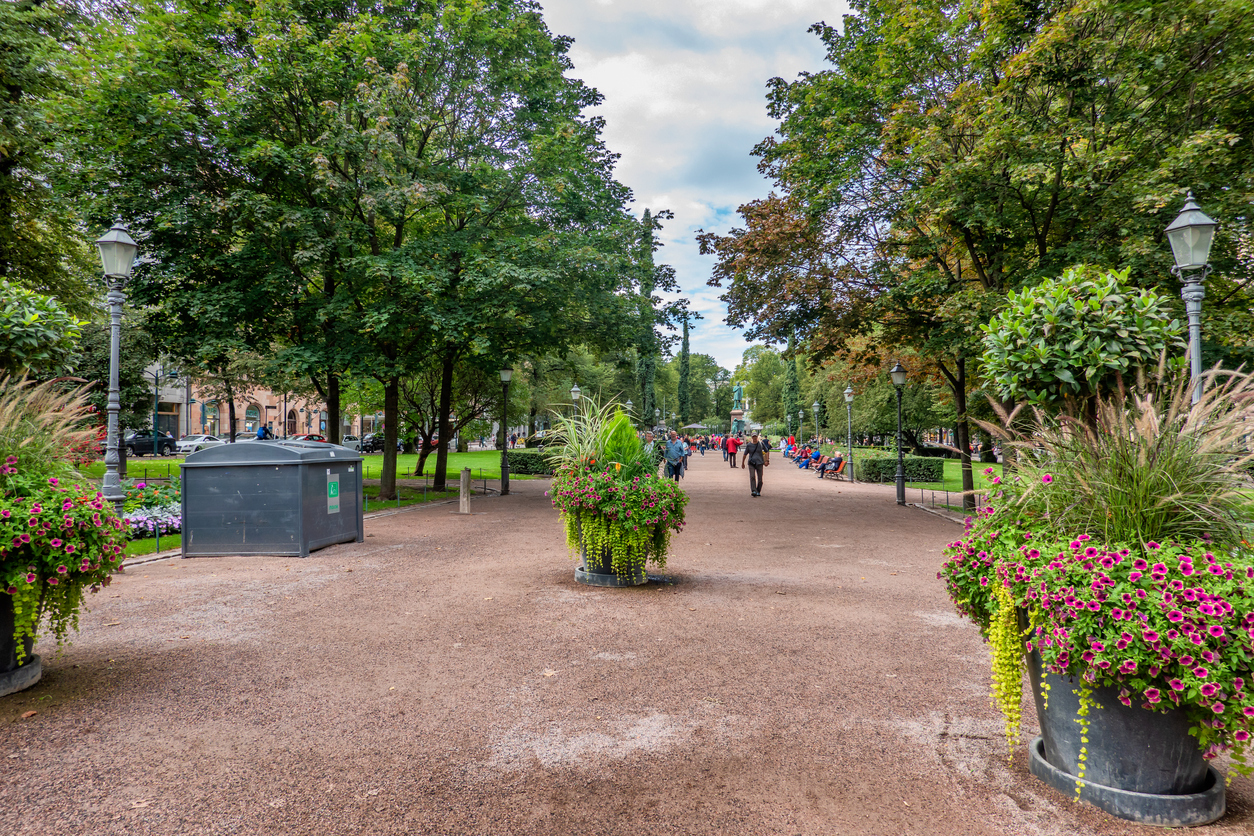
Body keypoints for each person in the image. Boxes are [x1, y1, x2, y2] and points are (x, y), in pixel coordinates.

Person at [740, 431, 770, 497]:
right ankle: (753, 490)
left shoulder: (761, 444)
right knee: (752, 476)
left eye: (755, 436)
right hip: (751, 463)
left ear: (757, 437)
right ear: (751, 437)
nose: (754, 438)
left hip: (759, 463)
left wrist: (767, 460)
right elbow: (745, 454)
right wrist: (743, 463)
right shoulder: (749, 445)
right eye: (753, 436)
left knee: (760, 479)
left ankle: (758, 490)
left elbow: (767, 451)